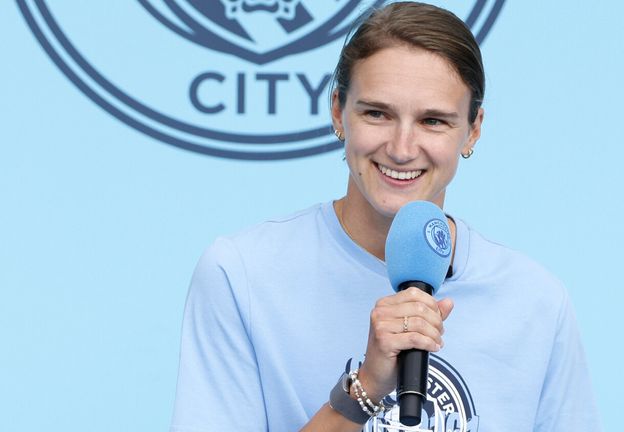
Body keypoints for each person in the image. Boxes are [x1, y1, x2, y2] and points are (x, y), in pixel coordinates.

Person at [170, 2, 601, 431]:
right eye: (377, 113)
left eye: (433, 121)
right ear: (338, 111)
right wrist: (365, 388)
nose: (401, 147)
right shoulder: (242, 275)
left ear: (473, 129)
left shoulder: (535, 302)